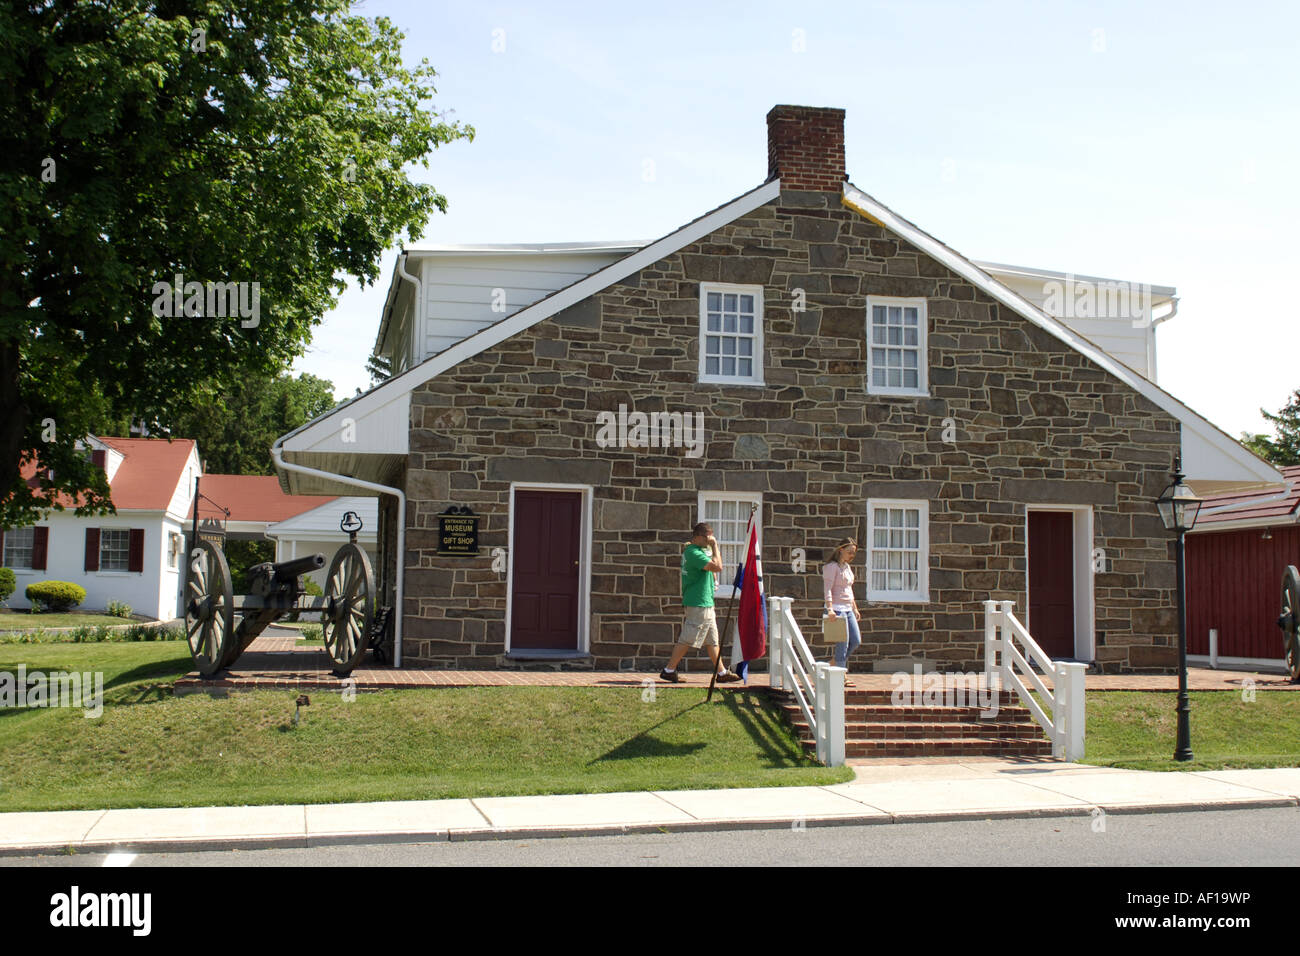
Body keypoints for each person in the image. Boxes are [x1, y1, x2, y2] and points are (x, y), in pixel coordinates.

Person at [659, 522, 742, 684]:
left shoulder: (698, 549)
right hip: (698, 601)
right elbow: (717, 567)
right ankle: (669, 670)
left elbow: (712, 568)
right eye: (707, 537)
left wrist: (714, 577)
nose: (710, 539)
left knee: (712, 640)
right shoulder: (693, 553)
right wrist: (716, 546)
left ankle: (722, 672)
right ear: (698, 536)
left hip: (706, 600)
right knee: (688, 638)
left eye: (711, 536)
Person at [823, 538, 862, 670]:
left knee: (856, 641)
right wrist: (829, 609)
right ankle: (841, 674)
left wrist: (855, 608)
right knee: (842, 644)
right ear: (841, 550)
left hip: (848, 609)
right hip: (837, 609)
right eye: (850, 552)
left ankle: (835, 662)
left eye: (854, 553)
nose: (852, 555)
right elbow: (827, 589)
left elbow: (849, 589)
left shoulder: (847, 567)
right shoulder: (831, 567)